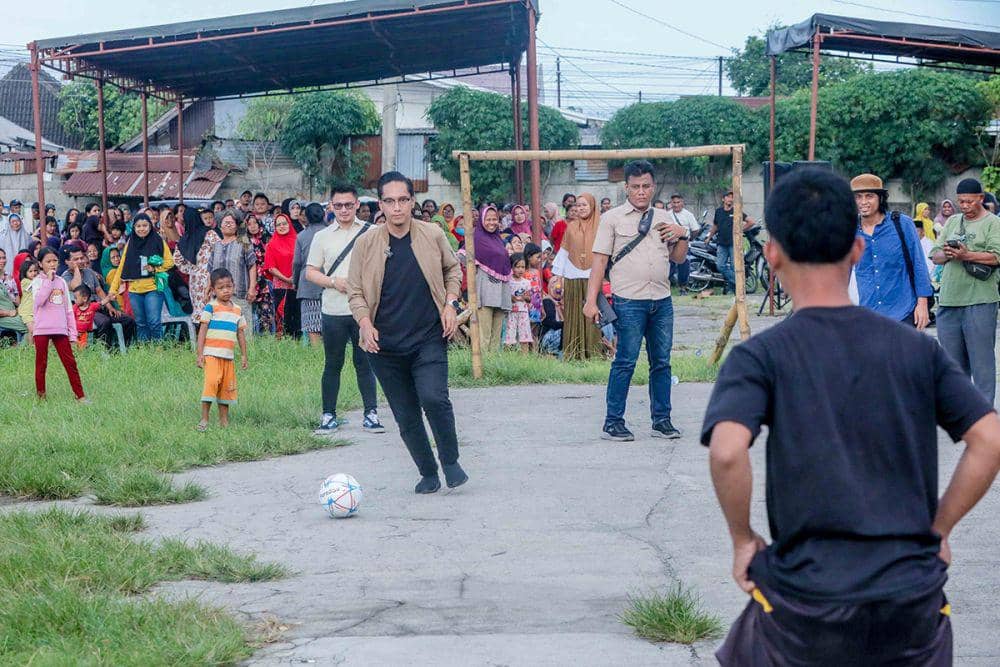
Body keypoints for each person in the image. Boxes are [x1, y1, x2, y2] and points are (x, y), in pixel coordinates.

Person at [702, 166, 1000, 666]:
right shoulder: (916, 350)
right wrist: (939, 531)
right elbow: (989, 439)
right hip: (911, 601)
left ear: (771, 255)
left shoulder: (760, 356)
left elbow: (729, 450)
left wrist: (742, 539)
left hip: (804, 603)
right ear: (857, 251)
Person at [348, 171, 466, 494]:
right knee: (406, 414)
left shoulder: (433, 235)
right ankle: (428, 472)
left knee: (434, 398)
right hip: (383, 347)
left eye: (403, 200)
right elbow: (355, 291)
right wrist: (364, 322)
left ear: (412, 202)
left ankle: (451, 461)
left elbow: (452, 270)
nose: (397, 207)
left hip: (428, 337)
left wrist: (450, 304)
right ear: (381, 205)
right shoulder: (366, 243)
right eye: (390, 201)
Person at [583, 160, 689, 442]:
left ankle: (662, 420)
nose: (641, 192)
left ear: (653, 187)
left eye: (646, 186)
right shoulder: (612, 218)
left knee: (662, 363)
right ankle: (613, 422)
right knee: (625, 361)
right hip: (629, 301)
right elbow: (599, 261)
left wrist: (683, 235)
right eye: (635, 187)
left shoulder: (665, 217)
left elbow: (678, 258)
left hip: (662, 300)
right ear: (626, 188)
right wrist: (590, 301)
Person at [305, 183, 383, 435]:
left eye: (349, 205)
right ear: (331, 207)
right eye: (338, 205)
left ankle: (371, 413)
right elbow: (310, 272)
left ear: (357, 205)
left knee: (365, 363)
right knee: (333, 364)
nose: (344, 210)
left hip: (364, 312)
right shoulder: (322, 237)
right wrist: (333, 282)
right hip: (334, 309)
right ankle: (328, 415)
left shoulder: (372, 232)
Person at [931, 177, 1000, 404]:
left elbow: (996, 256)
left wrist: (967, 255)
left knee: (982, 365)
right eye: (961, 201)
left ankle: (984, 418)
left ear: (981, 198)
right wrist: (949, 254)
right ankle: (962, 415)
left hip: (980, 300)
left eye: (970, 201)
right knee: (952, 366)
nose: (965, 206)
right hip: (950, 301)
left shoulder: (992, 223)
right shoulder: (952, 221)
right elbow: (935, 255)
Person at [852, 174, 933, 329]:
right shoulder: (848, 230)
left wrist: (922, 304)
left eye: (869, 196)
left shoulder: (901, 224)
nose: (863, 202)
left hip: (902, 312)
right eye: (858, 197)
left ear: (881, 198)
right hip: (866, 314)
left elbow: (919, 264)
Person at [196, 268, 249, 431]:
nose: (226, 290)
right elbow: (202, 330)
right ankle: (204, 418)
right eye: (220, 287)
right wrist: (200, 354)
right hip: (211, 354)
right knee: (211, 384)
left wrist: (244, 355)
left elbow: (240, 333)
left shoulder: (238, 310)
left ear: (233, 286)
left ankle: (224, 421)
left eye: (228, 286)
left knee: (227, 389)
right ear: (213, 290)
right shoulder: (210, 308)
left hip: (228, 356)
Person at [32, 247, 86, 401]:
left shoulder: (62, 281)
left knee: (70, 362)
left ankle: (80, 396)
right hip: (42, 329)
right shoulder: (37, 282)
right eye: (48, 261)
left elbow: (68, 309)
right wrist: (48, 281)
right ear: (41, 264)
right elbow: (39, 301)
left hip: (60, 328)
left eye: (55, 260)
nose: (52, 264)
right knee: (41, 364)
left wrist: (73, 334)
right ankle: (41, 396)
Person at [110, 213, 173, 342]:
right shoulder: (130, 243)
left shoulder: (158, 240)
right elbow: (121, 267)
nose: (141, 229)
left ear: (150, 226)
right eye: (138, 226)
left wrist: (155, 269)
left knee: (154, 322)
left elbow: (170, 262)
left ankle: (158, 351)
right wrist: (113, 290)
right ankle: (144, 352)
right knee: (140, 323)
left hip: (153, 288)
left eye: (145, 225)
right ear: (133, 227)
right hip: (134, 290)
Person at [553, 192, 602, 360]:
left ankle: (593, 352)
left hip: (593, 275)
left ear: (592, 206)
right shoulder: (571, 226)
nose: (581, 208)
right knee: (573, 313)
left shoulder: (601, 225)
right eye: (578, 205)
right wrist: (558, 276)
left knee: (593, 314)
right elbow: (564, 250)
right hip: (572, 275)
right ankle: (574, 352)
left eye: (584, 205)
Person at [64, 245, 136, 349]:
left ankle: (123, 349)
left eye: (81, 258)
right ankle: (105, 351)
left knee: (127, 320)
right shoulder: (65, 277)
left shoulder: (89, 272)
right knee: (104, 322)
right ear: (67, 261)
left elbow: (99, 291)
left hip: (100, 306)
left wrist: (110, 308)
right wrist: (76, 269)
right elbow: (76, 285)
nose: (80, 261)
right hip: (85, 311)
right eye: (76, 259)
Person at [206, 210, 258, 334]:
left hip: (239, 294)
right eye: (225, 222)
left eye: (232, 222)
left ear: (237, 225)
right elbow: (210, 269)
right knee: (222, 331)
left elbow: (252, 266)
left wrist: (252, 288)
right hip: (218, 296)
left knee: (242, 330)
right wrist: (207, 288)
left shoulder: (244, 242)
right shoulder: (216, 245)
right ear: (220, 225)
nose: (228, 224)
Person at [170, 207, 221, 322]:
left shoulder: (184, 239)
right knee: (215, 310)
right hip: (213, 276)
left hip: (196, 280)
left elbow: (177, 260)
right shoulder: (209, 233)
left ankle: (200, 337)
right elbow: (221, 251)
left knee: (200, 310)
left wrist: (191, 270)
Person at [473, 205, 513, 352]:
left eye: (494, 219)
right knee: (484, 334)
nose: (491, 222)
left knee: (497, 336)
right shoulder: (476, 238)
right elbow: (464, 257)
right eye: (488, 219)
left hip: (500, 291)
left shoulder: (498, 239)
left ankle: (493, 366)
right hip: (485, 291)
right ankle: (482, 368)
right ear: (482, 220)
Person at [292, 203, 329, 346]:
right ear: (324, 215)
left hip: (308, 284)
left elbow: (297, 262)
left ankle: (316, 356)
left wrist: (295, 282)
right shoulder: (332, 232)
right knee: (330, 321)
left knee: (312, 325)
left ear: (306, 217)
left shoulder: (302, 236)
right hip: (330, 283)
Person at [708, 191, 756, 294]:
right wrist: (709, 237)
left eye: (732, 197)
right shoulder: (718, 211)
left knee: (735, 267)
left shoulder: (737, 211)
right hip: (721, 243)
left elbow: (751, 222)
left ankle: (734, 289)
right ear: (723, 199)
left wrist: (740, 230)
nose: (730, 199)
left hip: (734, 243)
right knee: (720, 266)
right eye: (728, 197)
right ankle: (739, 284)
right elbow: (715, 226)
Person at [263, 213, 299, 339]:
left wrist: (295, 278)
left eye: (284, 223)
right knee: (283, 318)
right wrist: (287, 279)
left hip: (298, 286)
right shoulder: (272, 244)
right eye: (278, 224)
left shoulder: (298, 241)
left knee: (297, 318)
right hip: (282, 287)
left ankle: (299, 347)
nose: (282, 226)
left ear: (289, 224)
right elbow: (271, 267)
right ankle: (283, 347)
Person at [245, 214, 275, 334]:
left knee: (266, 310)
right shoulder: (244, 241)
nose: (252, 226)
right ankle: (253, 337)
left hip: (266, 280)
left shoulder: (267, 238)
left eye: (255, 223)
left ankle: (267, 337)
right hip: (250, 279)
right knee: (251, 312)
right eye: (249, 224)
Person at [667, 194, 701, 293]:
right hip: (670, 245)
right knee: (668, 266)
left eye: (678, 202)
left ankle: (683, 287)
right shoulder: (667, 215)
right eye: (674, 202)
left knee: (684, 266)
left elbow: (695, 230)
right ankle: (666, 287)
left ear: (682, 203)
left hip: (684, 244)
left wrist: (688, 239)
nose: (676, 205)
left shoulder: (688, 215)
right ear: (671, 203)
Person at [505, 252, 533, 352]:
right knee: (509, 336)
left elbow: (530, 298)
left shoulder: (526, 282)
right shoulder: (508, 281)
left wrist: (526, 297)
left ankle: (525, 358)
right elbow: (506, 296)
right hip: (511, 312)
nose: (520, 269)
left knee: (524, 335)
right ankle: (507, 356)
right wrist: (512, 297)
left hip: (523, 312)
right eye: (517, 267)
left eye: (523, 267)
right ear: (512, 267)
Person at [71, 284, 114, 349]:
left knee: (83, 348)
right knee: (73, 347)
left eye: (76, 298)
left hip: (85, 333)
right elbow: (71, 319)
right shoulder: (75, 308)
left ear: (85, 298)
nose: (74, 300)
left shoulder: (92, 306)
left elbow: (102, 302)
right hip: (76, 333)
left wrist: (109, 298)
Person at [17, 259, 39, 335]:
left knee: (33, 331)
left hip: (34, 311)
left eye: (35, 271)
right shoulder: (25, 281)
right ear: (24, 272)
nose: (34, 273)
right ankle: (30, 346)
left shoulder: (37, 281)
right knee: (33, 330)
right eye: (30, 271)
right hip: (26, 312)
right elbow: (35, 285)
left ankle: (31, 346)